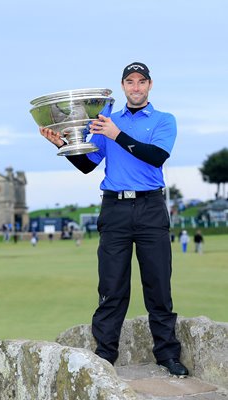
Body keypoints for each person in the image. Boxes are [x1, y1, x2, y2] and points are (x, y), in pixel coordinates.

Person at [39, 61, 188, 376]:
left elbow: (156, 156)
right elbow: (87, 165)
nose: (135, 87)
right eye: (130, 82)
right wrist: (64, 145)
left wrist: (116, 134)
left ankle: (167, 355)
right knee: (111, 286)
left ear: (149, 86)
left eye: (141, 82)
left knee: (158, 286)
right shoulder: (105, 121)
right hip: (115, 209)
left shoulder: (163, 120)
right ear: (123, 87)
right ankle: (104, 357)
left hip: (151, 207)